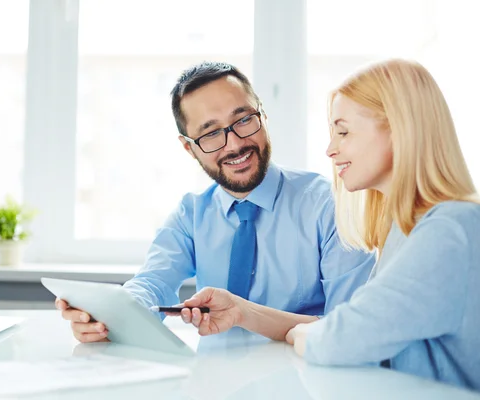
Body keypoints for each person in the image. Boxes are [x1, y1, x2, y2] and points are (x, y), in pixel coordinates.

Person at [179, 59, 480, 391]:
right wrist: (246, 312)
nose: (331, 149)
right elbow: (353, 329)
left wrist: (307, 333)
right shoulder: (403, 232)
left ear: (399, 128)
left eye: (344, 131)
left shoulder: (450, 229)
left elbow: (343, 338)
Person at [57, 61, 375, 344]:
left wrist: (244, 313)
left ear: (263, 114)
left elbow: (350, 328)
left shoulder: (331, 206)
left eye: (244, 119)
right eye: (210, 135)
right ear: (188, 148)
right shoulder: (191, 214)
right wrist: (109, 317)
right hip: (212, 382)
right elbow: (152, 283)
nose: (235, 144)